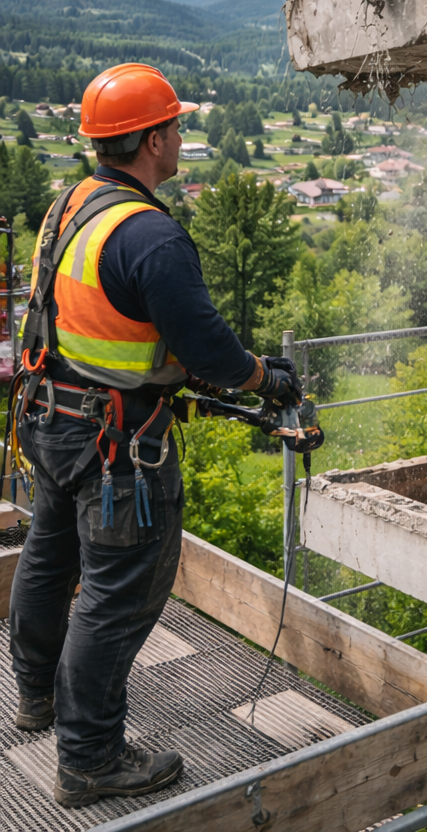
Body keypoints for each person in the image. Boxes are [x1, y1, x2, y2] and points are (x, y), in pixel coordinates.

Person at [7, 64, 300, 809]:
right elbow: (210, 354)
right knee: (117, 595)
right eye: (174, 127)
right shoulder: (150, 237)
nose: (180, 137)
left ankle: (36, 697)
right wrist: (266, 378)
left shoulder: (71, 205)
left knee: (49, 555)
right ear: (150, 140)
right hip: (114, 446)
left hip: (50, 418)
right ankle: (90, 758)